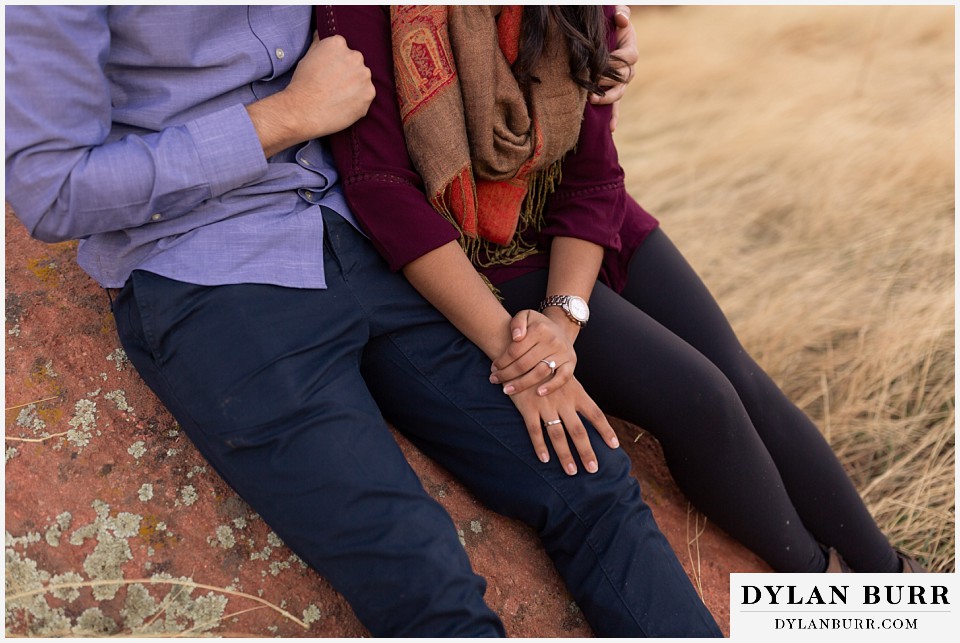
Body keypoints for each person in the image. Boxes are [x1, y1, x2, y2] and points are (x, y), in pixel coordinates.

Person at [5, 5, 724, 637]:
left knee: (589, 476)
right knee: (425, 583)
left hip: (366, 240)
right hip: (211, 277)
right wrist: (284, 118)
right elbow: (51, 188)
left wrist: (583, 31)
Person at [320, 5, 926, 575]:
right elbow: (381, 188)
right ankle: (830, 598)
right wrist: (523, 347)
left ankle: (897, 585)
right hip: (473, 251)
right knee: (702, 398)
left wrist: (564, 319)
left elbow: (591, 178)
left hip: (580, 220)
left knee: (742, 379)